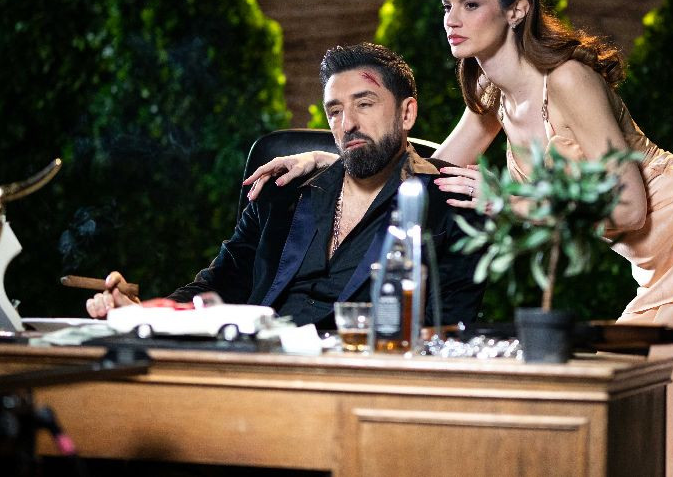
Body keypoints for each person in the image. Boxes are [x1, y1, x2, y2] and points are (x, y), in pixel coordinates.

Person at [244, 0, 673, 477]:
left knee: (645, 407)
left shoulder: (567, 79)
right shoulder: (492, 94)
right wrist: (332, 156)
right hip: (663, 259)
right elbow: (431, 168)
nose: (452, 19)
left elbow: (629, 208)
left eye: (471, 5)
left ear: (517, 10)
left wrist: (508, 200)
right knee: (668, 414)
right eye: (447, 6)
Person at [85, 43, 485, 331]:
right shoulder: (283, 193)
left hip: (357, 380)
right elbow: (217, 284)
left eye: (364, 104)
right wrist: (143, 313)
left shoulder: (447, 206)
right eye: (334, 111)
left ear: (407, 113)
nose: (347, 124)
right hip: (257, 366)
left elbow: (448, 327)